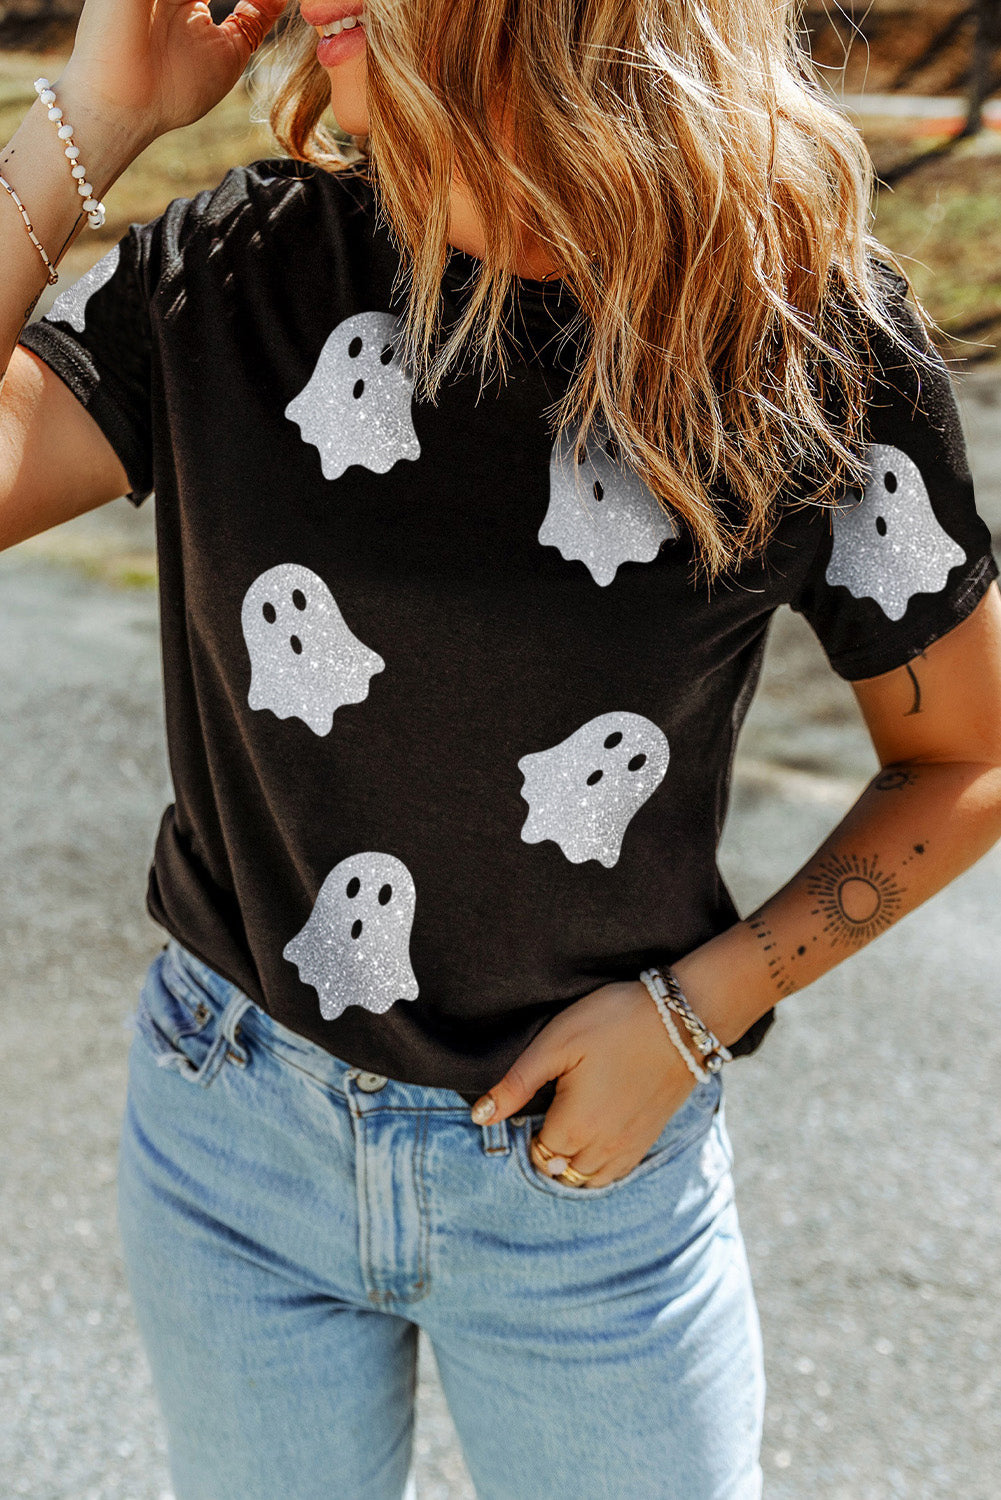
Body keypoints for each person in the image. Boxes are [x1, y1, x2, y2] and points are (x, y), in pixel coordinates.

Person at [2, 1, 1000, 1496]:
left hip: (585, 1192)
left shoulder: (805, 342)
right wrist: (96, 114)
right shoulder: (247, 270)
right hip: (232, 1139)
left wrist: (699, 1012)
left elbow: (964, 759)